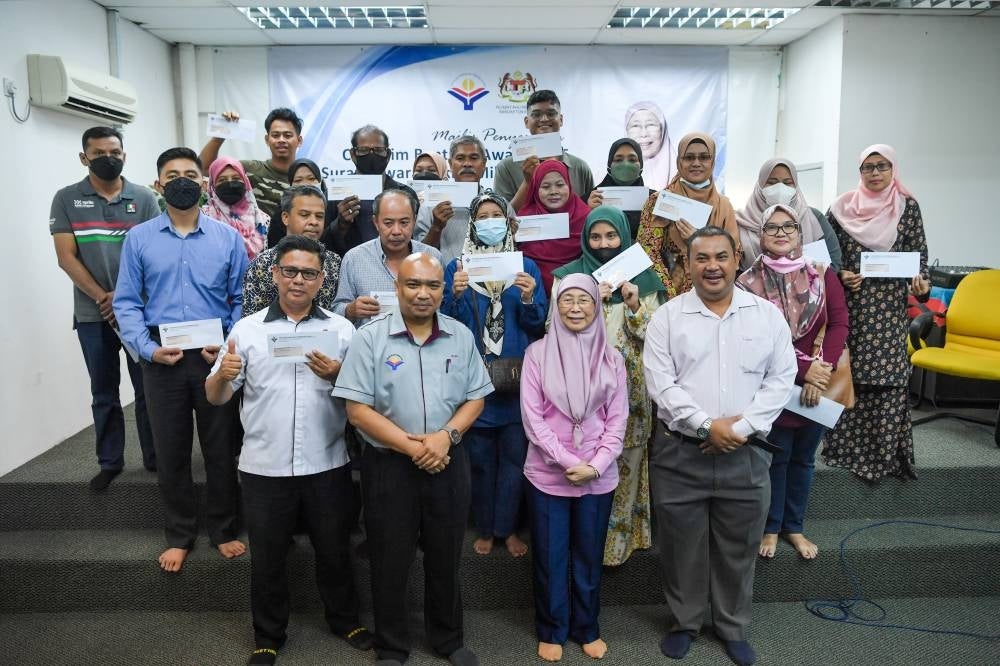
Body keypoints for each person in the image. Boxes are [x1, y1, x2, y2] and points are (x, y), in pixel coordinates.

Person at [206, 234, 373, 666]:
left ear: (323, 280)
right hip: (264, 465)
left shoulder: (341, 330)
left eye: (309, 273)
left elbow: (366, 397)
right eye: (290, 271)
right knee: (268, 558)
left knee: (334, 549)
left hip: (328, 461)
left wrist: (340, 373)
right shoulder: (247, 329)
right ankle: (268, 635)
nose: (298, 280)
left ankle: (345, 620)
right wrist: (222, 375)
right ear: (275, 273)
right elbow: (216, 398)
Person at [643, 227, 796, 666]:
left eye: (721, 257)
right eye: (702, 258)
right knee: (680, 546)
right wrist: (708, 425)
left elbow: (780, 379)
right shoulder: (667, 317)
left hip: (745, 455)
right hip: (679, 454)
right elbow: (661, 384)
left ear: (736, 260)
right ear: (687, 265)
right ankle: (685, 622)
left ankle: (731, 626)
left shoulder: (766, 316)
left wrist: (740, 429)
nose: (712, 266)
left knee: (738, 546)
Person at [333, 253, 493, 666]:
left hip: (448, 461)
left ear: (442, 289)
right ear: (398, 288)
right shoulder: (369, 338)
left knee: (445, 556)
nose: (423, 293)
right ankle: (392, 646)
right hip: (389, 466)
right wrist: (417, 448)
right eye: (413, 285)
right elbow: (357, 409)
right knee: (390, 558)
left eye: (432, 286)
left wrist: (446, 437)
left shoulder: (459, 335)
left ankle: (447, 639)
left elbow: (476, 396)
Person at [114, 147, 249, 573]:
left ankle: (224, 529)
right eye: (172, 175)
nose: (182, 180)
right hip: (162, 358)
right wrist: (146, 349)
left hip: (214, 358)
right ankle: (180, 534)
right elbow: (127, 303)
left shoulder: (227, 238)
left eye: (190, 173)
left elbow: (241, 299)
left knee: (220, 448)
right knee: (171, 450)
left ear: (204, 182)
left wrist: (227, 343)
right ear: (159, 184)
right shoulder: (139, 238)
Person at [551, 206, 666, 566]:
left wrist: (633, 306)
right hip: (577, 390)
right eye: (596, 237)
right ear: (586, 239)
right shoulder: (569, 278)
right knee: (583, 459)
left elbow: (658, 338)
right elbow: (550, 333)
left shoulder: (644, 279)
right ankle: (581, 545)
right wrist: (588, 305)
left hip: (629, 388)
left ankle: (615, 547)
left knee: (625, 458)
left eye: (611, 236)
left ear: (623, 237)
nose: (604, 244)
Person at [521, 273, 627, 663]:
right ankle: (552, 628)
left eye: (584, 300)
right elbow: (534, 421)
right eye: (567, 301)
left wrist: (595, 466)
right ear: (556, 306)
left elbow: (618, 421)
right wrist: (569, 462)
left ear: (596, 306)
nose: (576, 308)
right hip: (549, 475)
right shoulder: (537, 353)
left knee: (588, 554)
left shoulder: (612, 358)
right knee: (550, 555)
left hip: (598, 477)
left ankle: (586, 627)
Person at [736, 204, 849, 560]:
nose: (782, 233)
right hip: (773, 385)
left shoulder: (821, 273)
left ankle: (794, 527)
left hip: (818, 385)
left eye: (790, 226)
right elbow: (752, 338)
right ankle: (771, 527)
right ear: (760, 235)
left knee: (804, 459)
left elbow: (840, 323)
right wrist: (804, 372)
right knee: (776, 459)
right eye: (772, 227)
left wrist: (823, 369)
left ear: (801, 233)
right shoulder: (747, 281)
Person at [50, 126, 160, 491]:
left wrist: (124, 299)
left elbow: (152, 257)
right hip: (92, 315)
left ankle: (153, 456)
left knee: (147, 389)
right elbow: (67, 258)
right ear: (85, 158)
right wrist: (104, 296)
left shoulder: (144, 198)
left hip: (140, 313)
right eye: (98, 153)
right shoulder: (66, 199)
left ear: (124, 154)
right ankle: (110, 461)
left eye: (114, 151)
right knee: (104, 391)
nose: (107, 158)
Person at [442, 190, 547, 557]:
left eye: (495, 216)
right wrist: (453, 295)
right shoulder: (457, 268)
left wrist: (532, 297)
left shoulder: (527, 268)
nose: (489, 222)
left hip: (518, 382)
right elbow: (446, 326)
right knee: (481, 464)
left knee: (516, 462)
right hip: (474, 384)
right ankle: (486, 527)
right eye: (482, 216)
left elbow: (538, 326)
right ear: (472, 224)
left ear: (507, 222)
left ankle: (509, 529)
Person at [822, 144, 930, 481]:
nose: (875, 173)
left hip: (888, 308)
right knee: (850, 373)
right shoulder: (840, 209)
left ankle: (882, 453)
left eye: (882, 166)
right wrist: (840, 275)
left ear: (893, 168)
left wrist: (921, 283)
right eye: (868, 167)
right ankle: (843, 449)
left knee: (886, 379)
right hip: (851, 306)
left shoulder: (906, 207)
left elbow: (919, 254)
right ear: (860, 172)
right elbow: (825, 257)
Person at [637, 132, 738, 298]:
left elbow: (733, 255)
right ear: (679, 162)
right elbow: (647, 251)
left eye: (704, 157)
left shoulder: (723, 206)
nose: (696, 163)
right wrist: (669, 294)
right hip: (665, 295)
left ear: (712, 162)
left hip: (710, 291)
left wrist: (698, 241)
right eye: (689, 157)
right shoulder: (659, 201)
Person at [332, 188, 440, 327]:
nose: (396, 231)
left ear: (414, 220)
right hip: (371, 346)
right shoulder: (354, 259)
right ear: (376, 222)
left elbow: (443, 309)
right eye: (388, 223)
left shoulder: (432, 257)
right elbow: (336, 311)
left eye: (404, 222)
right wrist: (350, 310)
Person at [243, 185, 341, 316]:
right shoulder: (262, 264)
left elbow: (338, 315)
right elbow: (251, 321)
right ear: (285, 217)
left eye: (319, 216)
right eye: (305, 215)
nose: (314, 222)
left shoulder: (334, 263)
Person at [320, 125, 416, 256]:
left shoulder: (406, 194)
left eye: (378, 150)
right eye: (364, 150)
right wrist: (341, 224)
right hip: (348, 267)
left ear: (388, 155)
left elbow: (415, 243)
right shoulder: (335, 194)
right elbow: (321, 243)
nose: (372, 155)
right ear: (353, 154)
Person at [492, 90, 594, 211]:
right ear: (526, 122)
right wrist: (528, 182)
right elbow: (503, 217)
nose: (544, 119)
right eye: (536, 114)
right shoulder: (506, 168)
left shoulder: (580, 168)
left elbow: (589, 213)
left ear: (561, 120)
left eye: (551, 113)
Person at [736, 158, 841, 271]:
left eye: (787, 183)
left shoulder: (813, 217)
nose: (780, 188)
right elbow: (733, 266)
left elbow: (834, 262)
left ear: (796, 186)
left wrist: (809, 283)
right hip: (749, 288)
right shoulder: (741, 222)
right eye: (772, 182)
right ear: (760, 185)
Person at [200, 108, 304, 220]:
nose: (281, 140)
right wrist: (221, 133)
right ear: (267, 139)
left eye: (287, 135)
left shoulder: (309, 178)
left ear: (299, 141)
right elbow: (203, 168)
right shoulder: (249, 169)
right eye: (275, 135)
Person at [516, 160, 590, 294]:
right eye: (545, 186)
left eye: (560, 185)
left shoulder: (585, 217)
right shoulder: (524, 218)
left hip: (575, 297)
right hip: (532, 296)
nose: (553, 191)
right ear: (535, 189)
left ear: (569, 185)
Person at [415, 136, 489, 265]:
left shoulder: (499, 204)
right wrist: (436, 227)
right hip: (445, 282)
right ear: (450, 165)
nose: (467, 164)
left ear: (484, 165)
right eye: (460, 158)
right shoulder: (430, 204)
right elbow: (419, 256)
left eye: (474, 158)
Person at [202, 157, 269, 260]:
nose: (230, 184)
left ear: (245, 182)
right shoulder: (203, 218)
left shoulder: (263, 220)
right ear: (213, 186)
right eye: (222, 180)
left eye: (236, 178)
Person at [586, 138, 655, 239]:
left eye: (632, 160)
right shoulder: (592, 198)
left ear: (641, 164)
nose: (625, 164)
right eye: (618, 160)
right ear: (609, 164)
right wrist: (588, 212)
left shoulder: (653, 199)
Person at [266, 158, 335, 248]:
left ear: (320, 182)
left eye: (311, 179)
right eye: (298, 180)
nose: (306, 183)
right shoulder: (269, 259)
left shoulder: (333, 206)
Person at [624, 101, 675, 189]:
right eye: (635, 125)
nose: (644, 134)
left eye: (651, 124)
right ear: (626, 131)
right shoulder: (610, 173)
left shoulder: (681, 173)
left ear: (662, 130)